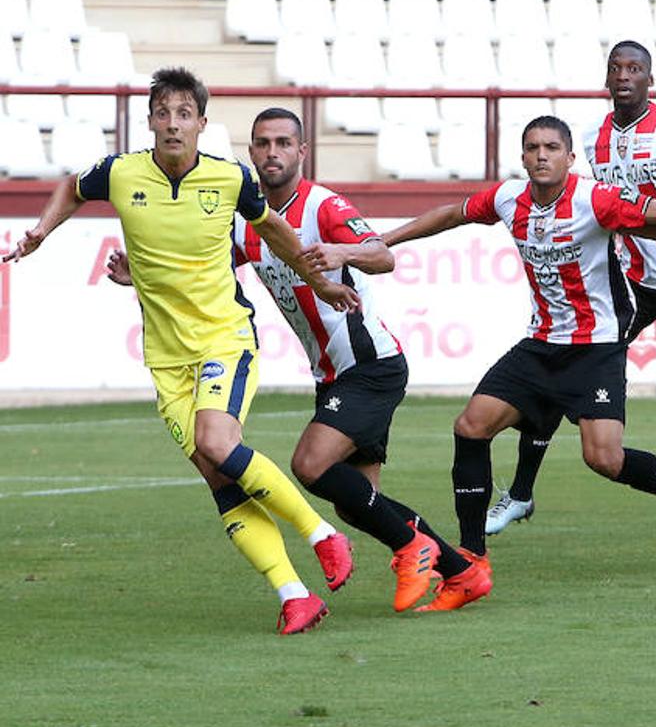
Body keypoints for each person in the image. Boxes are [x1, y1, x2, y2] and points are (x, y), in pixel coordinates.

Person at [4, 68, 358, 635]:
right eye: (163, 114)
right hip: (165, 358)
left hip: (224, 337)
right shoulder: (120, 173)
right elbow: (71, 187)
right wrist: (42, 232)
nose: (173, 124)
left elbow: (276, 234)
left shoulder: (230, 180)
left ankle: (322, 534)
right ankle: (294, 595)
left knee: (216, 441)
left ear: (201, 123)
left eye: (183, 114)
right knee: (216, 473)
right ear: (150, 122)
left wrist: (320, 283)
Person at [109, 108, 491, 613]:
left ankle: (411, 549)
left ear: (301, 152)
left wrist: (341, 253)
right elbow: (200, 269)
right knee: (358, 503)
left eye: (284, 143)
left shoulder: (323, 206)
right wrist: (139, 274)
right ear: (251, 153)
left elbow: (384, 256)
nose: (273, 153)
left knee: (309, 465)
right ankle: (462, 573)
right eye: (263, 143)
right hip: (331, 373)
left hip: (370, 365)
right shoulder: (251, 224)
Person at [382, 115, 656, 578]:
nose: (542, 155)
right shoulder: (507, 198)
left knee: (604, 459)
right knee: (471, 427)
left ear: (570, 158)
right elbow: (451, 214)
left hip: (596, 348)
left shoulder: (594, 199)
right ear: (523, 157)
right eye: (534, 147)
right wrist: (383, 241)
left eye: (552, 147)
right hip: (540, 345)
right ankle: (472, 559)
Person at [485, 40, 656, 536]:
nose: (625, 76)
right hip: (634, 285)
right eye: (617, 68)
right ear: (607, 78)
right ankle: (521, 494)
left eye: (635, 68)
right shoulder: (593, 139)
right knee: (559, 361)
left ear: (649, 79)